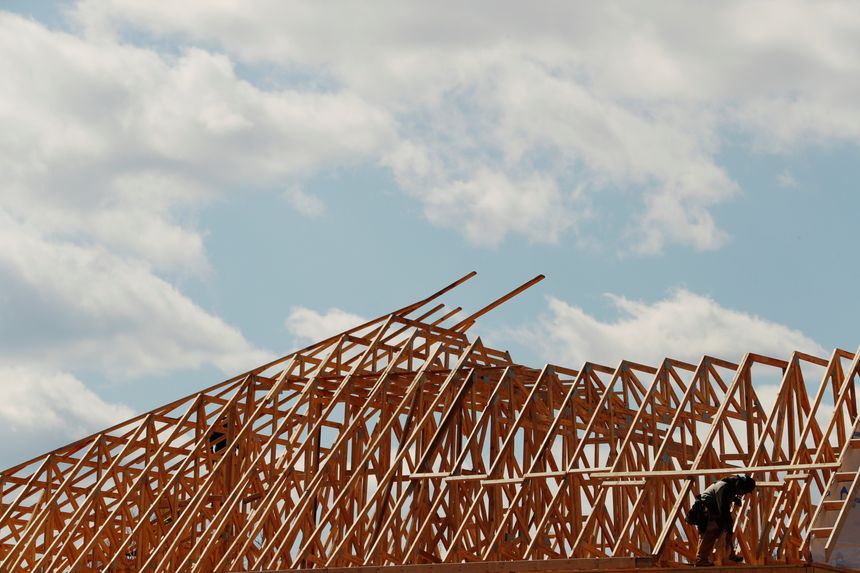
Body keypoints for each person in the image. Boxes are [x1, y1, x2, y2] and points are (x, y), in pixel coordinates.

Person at [694, 475, 756, 567]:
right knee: (710, 532)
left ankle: (730, 553)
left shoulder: (729, 486)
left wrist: (735, 499)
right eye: (743, 491)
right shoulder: (724, 488)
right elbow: (723, 509)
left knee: (722, 530)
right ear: (740, 486)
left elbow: (725, 498)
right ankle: (701, 560)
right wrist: (729, 524)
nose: (742, 494)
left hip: (710, 510)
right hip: (705, 510)